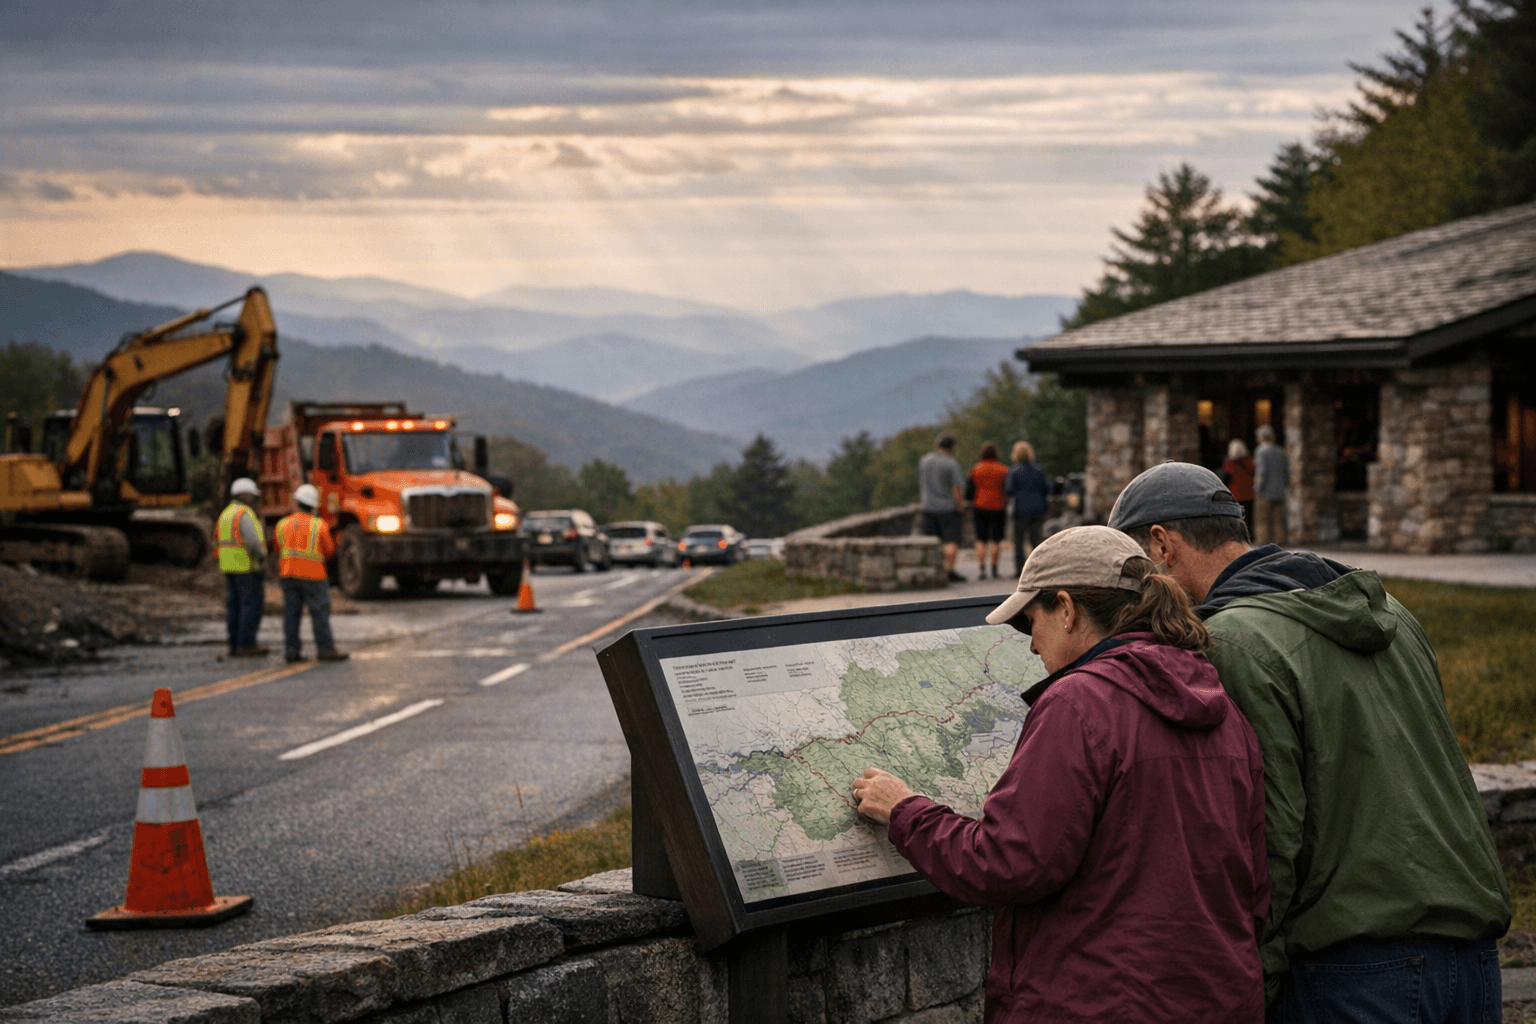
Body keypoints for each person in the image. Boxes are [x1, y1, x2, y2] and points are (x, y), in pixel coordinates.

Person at [1107, 462, 1509, 1021]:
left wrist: (1256, 979)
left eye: (1136, 571)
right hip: (1473, 954)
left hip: (1354, 968)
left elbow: (1266, 832)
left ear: (1161, 544)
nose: (1138, 593)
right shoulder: (1392, 612)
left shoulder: (1232, 642)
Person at [852, 525, 1268, 1023]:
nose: (1031, 646)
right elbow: (1254, 880)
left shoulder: (1079, 704)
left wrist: (905, 811)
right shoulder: (1218, 701)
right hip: (1219, 999)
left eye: (1032, 623)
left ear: (1067, 609)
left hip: (1100, 1003)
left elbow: (1008, 863)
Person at [275, 484, 349, 664]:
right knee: (319, 614)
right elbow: (329, 551)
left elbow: (278, 549)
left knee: (291, 615)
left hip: (288, 575)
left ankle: (291, 651)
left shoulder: (282, 524)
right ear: (314, 506)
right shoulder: (319, 525)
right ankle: (325, 649)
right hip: (313, 577)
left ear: (297, 502)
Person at [216, 477, 267, 657]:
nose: (254, 499)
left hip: (229, 567)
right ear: (244, 495)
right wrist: (261, 559)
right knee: (250, 606)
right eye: (252, 496)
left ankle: (234, 643)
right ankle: (246, 644)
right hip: (246, 567)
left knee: (234, 606)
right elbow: (253, 541)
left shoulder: (226, 514)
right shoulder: (243, 514)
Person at [917, 431, 966, 583]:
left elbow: (919, 480)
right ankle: (949, 570)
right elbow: (957, 487)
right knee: (951, 541)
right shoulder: (951, 463)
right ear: (952, 447)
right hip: (947, 508)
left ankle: (932, 571)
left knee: (932, 541)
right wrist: (960, 504)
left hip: (927, 506)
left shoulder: (924, 460)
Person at [1003, 440, 1050, 575]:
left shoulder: (1014, 470)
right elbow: (1046, 488)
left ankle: (1020, 570)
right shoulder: (1038, 469)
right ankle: (1038, 568)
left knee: (1019, 541)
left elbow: (1009, 489)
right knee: (1036, 540)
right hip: (1038, 508)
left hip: (1021, 509)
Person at [967, 441, 1009, 579]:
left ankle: (982, 568)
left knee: (981, 539)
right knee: (996, 539)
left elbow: (969, 490)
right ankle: (994, 568)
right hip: (998, 505)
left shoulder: (975, 469)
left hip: (980, 504)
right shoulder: (1003, 469)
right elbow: (1006, 489)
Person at [1252, 424, 1287, 546]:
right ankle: (1279, 544)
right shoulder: (1280, 451)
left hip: (1265, 491)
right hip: (1279, 490)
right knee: (1278, 521)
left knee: (1262, 520)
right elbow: (1286, 471)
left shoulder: (1261, 451)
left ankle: (1263, 544)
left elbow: (1262, 471)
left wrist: (1257, 489)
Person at [1223, 437, 1255, 525]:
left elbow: (1226, 480)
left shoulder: (1229, 464)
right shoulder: (1249, 461)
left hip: (1236, 494)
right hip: (1249, 493)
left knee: (1237, 518)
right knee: (1249, 518)